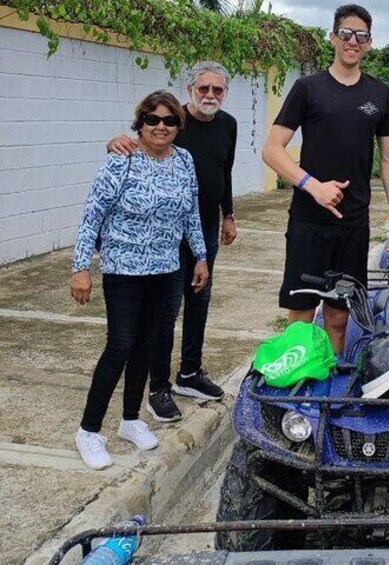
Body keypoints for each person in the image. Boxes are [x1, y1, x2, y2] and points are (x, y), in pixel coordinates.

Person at [71, 91, 209, 470]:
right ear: (140, 124)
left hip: (167, 270)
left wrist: (200, 256)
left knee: (149, 345)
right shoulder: (121, 160)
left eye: (169, 120)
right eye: (153, 119)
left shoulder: (184, 160)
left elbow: (191, 213)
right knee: (120, 345)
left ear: (178, 126)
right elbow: (91, 217)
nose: (161, 126)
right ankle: (88, 430)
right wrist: (80, 267)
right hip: (124, 270)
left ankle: (131, 418)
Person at [262, 4, 389, 353]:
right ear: (333, 38)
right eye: (345, 33)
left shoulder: (379, 93)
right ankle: (299, 400)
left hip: (353, 225)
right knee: (301, 314)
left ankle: (329, 394)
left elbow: (388, 158)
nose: (352, 41)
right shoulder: (307, 88)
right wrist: (312, 185)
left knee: (339, 317)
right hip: (309, 222)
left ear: (369, 43)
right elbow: (272, 150)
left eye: (361, 36)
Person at [107, 61, 237, 422]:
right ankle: (158, 388)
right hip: (167, 233)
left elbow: (223, 172)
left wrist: (228, 215)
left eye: (217, 90)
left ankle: (190, 374)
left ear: (224, 93)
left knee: (200, 299)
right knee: (165, 311)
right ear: (190, 90)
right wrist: (113, 142)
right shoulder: (173, 121)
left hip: (205, 228)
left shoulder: (228, 124)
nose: (210, 95)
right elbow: (144, 145)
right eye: (203, 89)